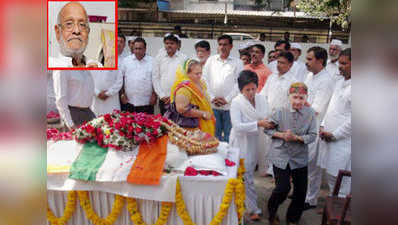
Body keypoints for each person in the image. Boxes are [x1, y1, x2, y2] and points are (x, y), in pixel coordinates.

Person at [265, 82, 317, 225]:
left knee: (301, 192)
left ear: (306, 98)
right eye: (295, 97)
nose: (298, 101)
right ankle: (272, 211)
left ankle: (292, 219)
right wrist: (282, 135)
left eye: (301, 98)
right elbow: (267, 130)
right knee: (283, 188)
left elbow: (313, 135)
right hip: (280, 155)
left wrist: (298, 138)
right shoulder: (279, 111)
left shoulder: (311, 113)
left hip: (299, 157)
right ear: (289, 97)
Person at [229, 70, 274, 221]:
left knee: (249, 173)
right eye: (247, 90)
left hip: (256, 140)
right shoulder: (236, 102)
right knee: (245, 174)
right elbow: (237, 126)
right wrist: (258, 123)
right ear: (241, 89)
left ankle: (241, 202)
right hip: (241, 142)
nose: (250, 92)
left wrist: (267, 122)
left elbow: (266, 114)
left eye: (253, 88)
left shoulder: (261, 99)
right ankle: (252, 208)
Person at [303, 46, 335, 210]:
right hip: (304, 124)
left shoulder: (326, 80)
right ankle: (303, 194)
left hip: (315, 127)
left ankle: (311, 199)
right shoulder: (309, 76)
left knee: (312, 167)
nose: (306, 62)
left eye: (309, 59)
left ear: (320, 61)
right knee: (304, 165)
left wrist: (299, 101)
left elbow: (317, 109)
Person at [319, 48, 351, 198]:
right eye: (340, 63)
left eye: (344, 63)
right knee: (331, 176)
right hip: (329, 137)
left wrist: (335, 134)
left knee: (342, 180)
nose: (340, 66)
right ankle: (333, 205)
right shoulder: (339, 82)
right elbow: (331, 107)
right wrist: (323, 125)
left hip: (344, 142)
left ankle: (340, 212)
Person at [203, 34, 244, 142]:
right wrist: (212, 98)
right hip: (213, 106)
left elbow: (239, 84)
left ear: (231, 46)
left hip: (230, 107)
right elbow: (204, 80)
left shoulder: (238, 63)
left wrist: (227, 99)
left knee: (229, 137)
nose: (222, 47)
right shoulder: (211, 60)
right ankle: (215, 158)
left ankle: (228, 159)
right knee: (213, 137)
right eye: (220, 44)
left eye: (225, 44)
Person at [49, 2, 101, 68]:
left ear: (88, 32)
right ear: (58, 32)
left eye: (82, 25)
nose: (76, 31)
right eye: (69, 24)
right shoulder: (50, 66)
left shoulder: (99, 67)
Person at [172, 59, 215, 135]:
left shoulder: (200, 83)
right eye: (196, 74)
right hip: (191, 129)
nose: (199, 76)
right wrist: (203, 114)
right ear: (187, 73)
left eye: (200, 73)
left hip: (204, 124)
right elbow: (181, 109)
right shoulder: (184, 89)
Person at [120, 37, 157, 114]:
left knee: (147, 125)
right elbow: (121, 78)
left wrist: (154, 95)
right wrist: (122, 94)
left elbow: (156, 80)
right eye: (136, 48)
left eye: (140, 49)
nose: (137, 51)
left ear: (145, 49)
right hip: (129, 102)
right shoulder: (126, 61)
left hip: (147, 103)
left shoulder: (153, 61)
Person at [153, 34, 187, 115]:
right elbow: (155, 78)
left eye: (172, 43)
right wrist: (161, 95)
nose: (169, 45)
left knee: (178, 125)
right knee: (165, 124)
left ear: (177, 45)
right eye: (167, 43)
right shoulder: (159, 58)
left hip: (179, 98)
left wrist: (175, 96)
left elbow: (186, 79)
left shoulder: (184, 58)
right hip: (163, 99)